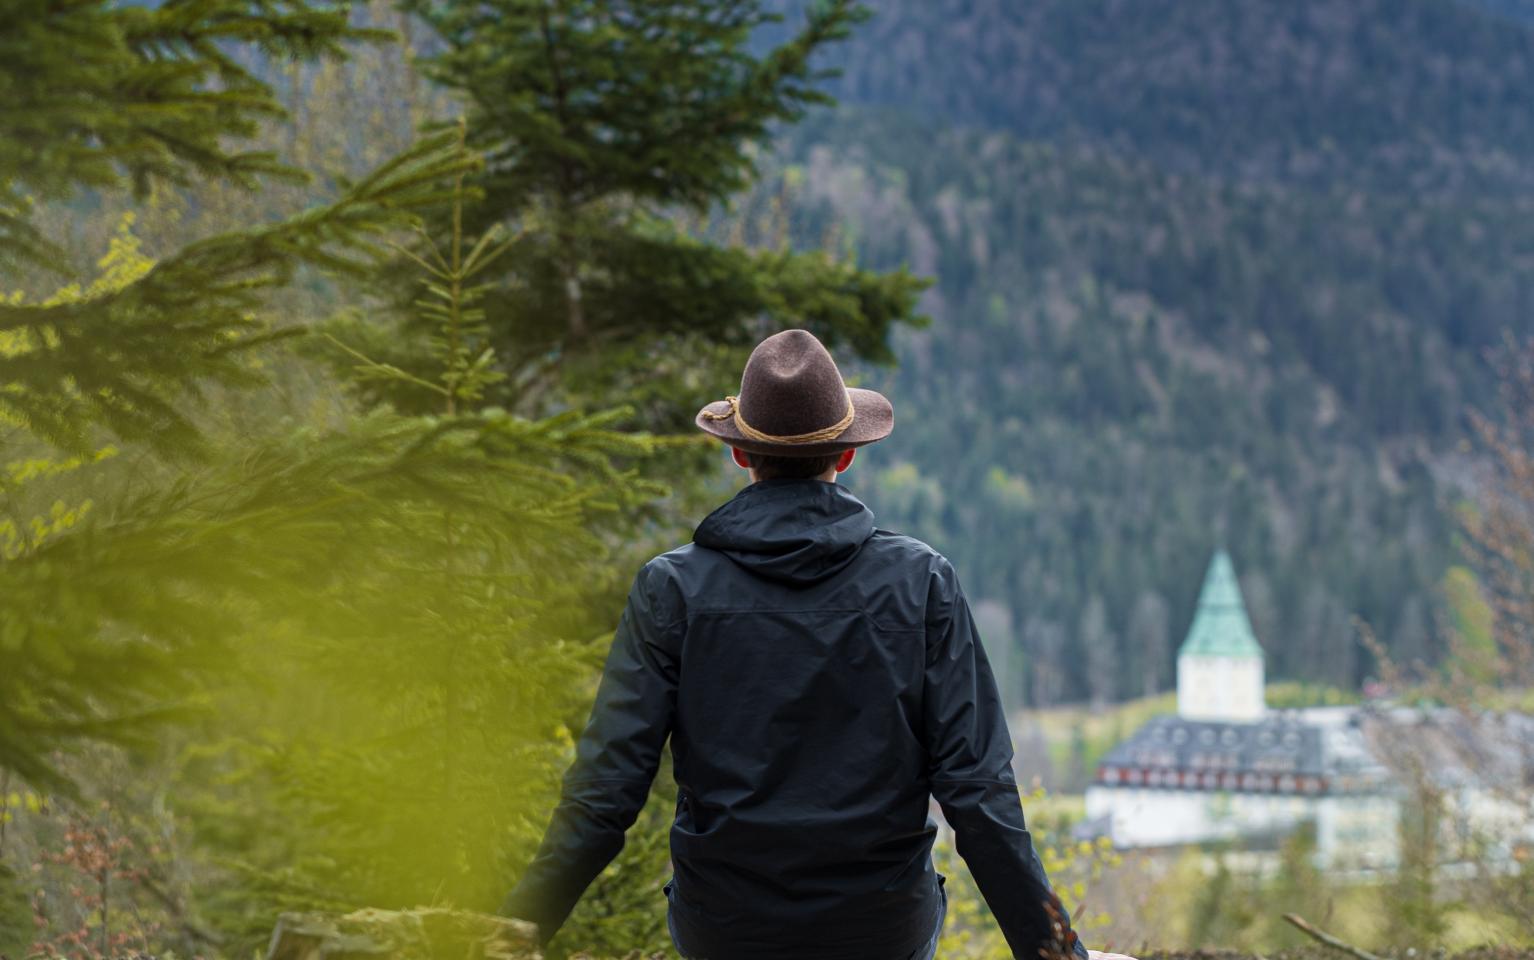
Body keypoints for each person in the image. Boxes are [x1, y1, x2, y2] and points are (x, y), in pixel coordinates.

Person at [500, 328, 1095, 960]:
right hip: (881, 930)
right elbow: (979, 795)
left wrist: (509, 933)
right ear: (845, 456)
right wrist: (1056, 953)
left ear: (739, 454)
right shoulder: (921, 582)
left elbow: (606, 792)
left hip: (725, 930)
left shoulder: (671, 589)